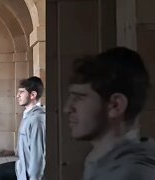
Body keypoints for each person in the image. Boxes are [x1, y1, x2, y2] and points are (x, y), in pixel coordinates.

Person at [63, 47, 155, 180]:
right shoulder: (105, 161)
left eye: (79, 97)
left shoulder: (128, 174)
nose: (67, 108)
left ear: (115, 105)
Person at [0, 76, 46, 180]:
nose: (17, 95)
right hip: (22, 166)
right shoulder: (28, 114)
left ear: (33, 95)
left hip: (28, 172)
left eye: (22, 92)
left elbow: (38, 158)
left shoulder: (37, 120)